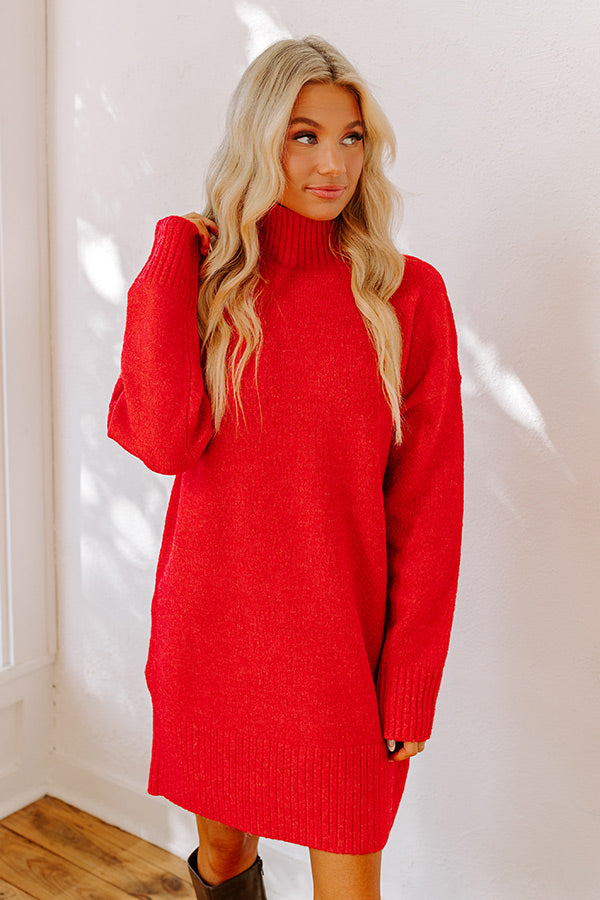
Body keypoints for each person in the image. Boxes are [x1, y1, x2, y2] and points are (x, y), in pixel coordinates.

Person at [107, 35, 464, 900]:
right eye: (304, 136)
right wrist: (171, 254)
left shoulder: (407, 295)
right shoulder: (206, 283)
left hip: (339, 658)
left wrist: (409, 681)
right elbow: (160, 442)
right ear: (259, 140)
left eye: (351, 138)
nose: (333, 163)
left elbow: (429, 506)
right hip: (210, 640)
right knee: (225, 861)